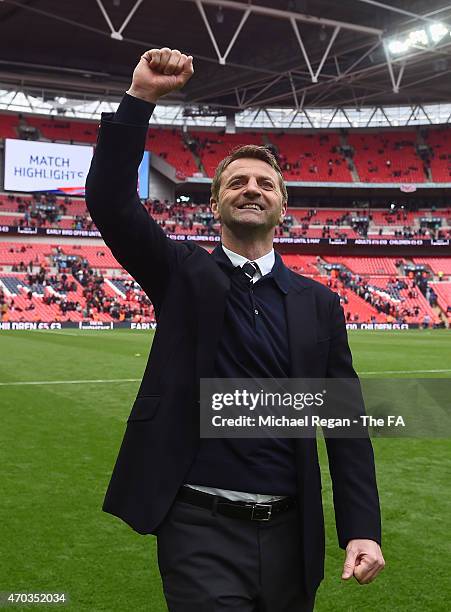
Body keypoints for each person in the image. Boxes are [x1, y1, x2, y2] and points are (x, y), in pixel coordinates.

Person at [85, 48, 384, 612]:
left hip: (292, 535)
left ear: (282, 206)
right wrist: (141, 99)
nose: (252, 188)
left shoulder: (319, 303)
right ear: (216, 202)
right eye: (238, 182)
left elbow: (346, 425)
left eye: (265, 183)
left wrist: (361, 527)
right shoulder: (181, 274)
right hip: (199, 527)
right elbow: (110, 202)